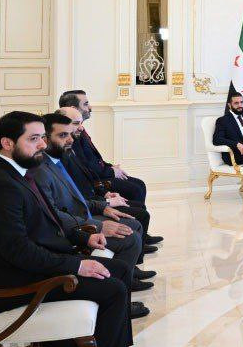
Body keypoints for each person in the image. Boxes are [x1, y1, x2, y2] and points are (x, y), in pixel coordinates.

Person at [0, 111, 155, 347]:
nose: (43, 144)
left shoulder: (17, 172)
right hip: (13, 282)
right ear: (7, 143)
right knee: (112, 288)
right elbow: (19, 252)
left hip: (30, 267)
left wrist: (84, 238)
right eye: (33, 139)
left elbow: (47, 219)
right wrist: (77, 265)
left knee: (121, 270)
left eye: (43, 137)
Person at [33, 112, 156, 297]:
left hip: (84, 214)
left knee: (134, 223)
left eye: (70, 134)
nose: (70, 139)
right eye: (63, 135)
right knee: (130, 236)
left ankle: (127, 279)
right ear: (45, 139)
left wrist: (102, 206)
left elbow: (76, 197)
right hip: (75, 226)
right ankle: (123, 289)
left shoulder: (55, 161)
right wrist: (97, 225)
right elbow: (53, 214)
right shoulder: (41, 169)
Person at [58, 106, 158, 255]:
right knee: (138, 214)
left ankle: (139, 249)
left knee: (138, 198)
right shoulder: (59, 156)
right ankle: (137, 252)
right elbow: (73, 198)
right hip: (86, 209)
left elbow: (89, 172)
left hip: (94, 196)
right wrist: (105, 202)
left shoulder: (69, 147)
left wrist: (105, 193)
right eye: (75, 124)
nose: (80, 128)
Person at [59, 90, 148, 205]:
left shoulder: (79, 130)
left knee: (139, 184)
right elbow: (85, 166)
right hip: (96, 181)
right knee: (135, 189)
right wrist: (111, 172)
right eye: (86, 104)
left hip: (100, 176)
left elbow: (94, 159)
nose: (90, 107)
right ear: (74, 108)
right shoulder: (71, 135)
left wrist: (110, 167)